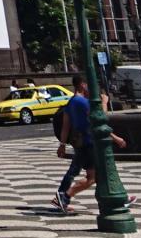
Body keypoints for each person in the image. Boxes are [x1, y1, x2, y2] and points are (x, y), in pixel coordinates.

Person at [52, 77, 126, 214]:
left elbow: (65, 127)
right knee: (94, 176)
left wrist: (62, 144)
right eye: (88, 84)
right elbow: (100, 119)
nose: (91, 87)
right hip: (89, 142)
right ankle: (64, 197)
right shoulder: (83, 102)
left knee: (85, 174)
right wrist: (104, 102)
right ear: (82, 84)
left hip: (79, 143)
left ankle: (63, 196)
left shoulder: (70, 103)